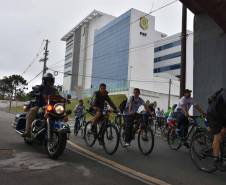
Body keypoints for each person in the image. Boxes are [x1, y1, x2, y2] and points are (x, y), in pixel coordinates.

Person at [22, 73, 59, 137]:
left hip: (51, 107)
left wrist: (65, 99)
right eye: (47, 80)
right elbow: (35, 89)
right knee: (32, 110)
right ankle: (28, 131)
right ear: (44, 80)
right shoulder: (40, 87)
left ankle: (58, 129)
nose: (49, 82)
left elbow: (59, 96)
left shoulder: (54, 90)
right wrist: (36, 92)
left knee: (60, 113)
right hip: (40, 106)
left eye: (50, 80)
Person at [207, 88, 226, 170]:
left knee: (223, 133)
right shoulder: (224, 94)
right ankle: (216, 160)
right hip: (213, 115)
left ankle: (221, 150)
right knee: (217, 135)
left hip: (222, 115)